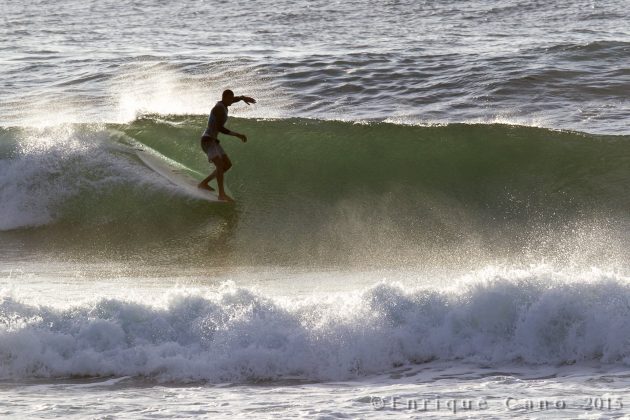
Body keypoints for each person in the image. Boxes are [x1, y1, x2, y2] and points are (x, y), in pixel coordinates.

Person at [198, 89, 256, 202]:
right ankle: (221, 194)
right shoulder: (219, 108)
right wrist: (237, 135)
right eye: (230, 98)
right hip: (208, 140)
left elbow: (234, 100)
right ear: (224, 98)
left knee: (227, 165)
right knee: (220, 165)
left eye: (232, 98)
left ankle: (204, 183)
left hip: (213, 141)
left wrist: (243, 98)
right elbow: (220, 128)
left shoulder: (224, 104)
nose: (231, 101)